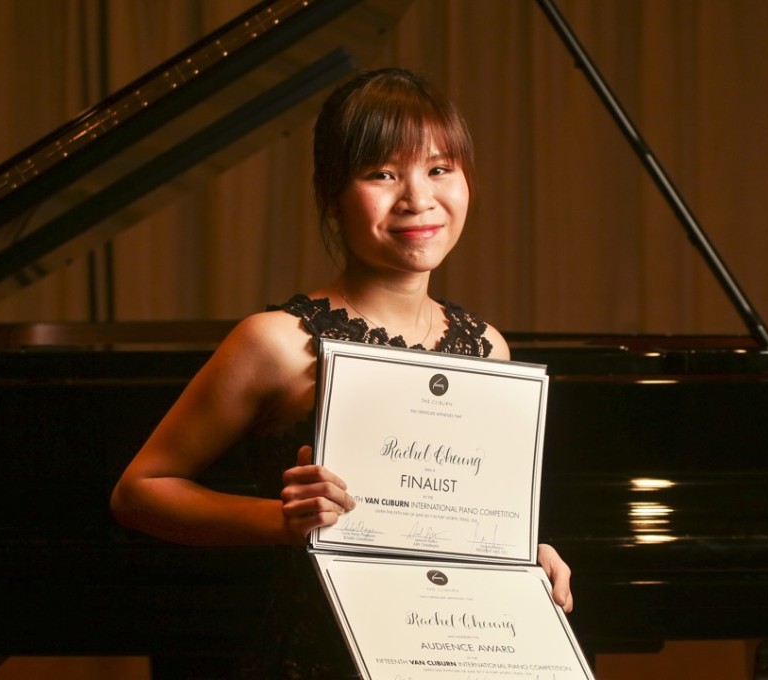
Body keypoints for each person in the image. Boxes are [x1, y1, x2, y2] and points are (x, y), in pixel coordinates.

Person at [111, 67, 573, 678]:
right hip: (314, 657)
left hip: (446, 657)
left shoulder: (487, 348)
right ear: (332, 194)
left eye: (439, 168)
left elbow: (461, 525)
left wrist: (521, 557)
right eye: (381, 173)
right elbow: (139, 491)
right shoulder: (275, 341)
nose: (417, 198)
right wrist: (281, 521)